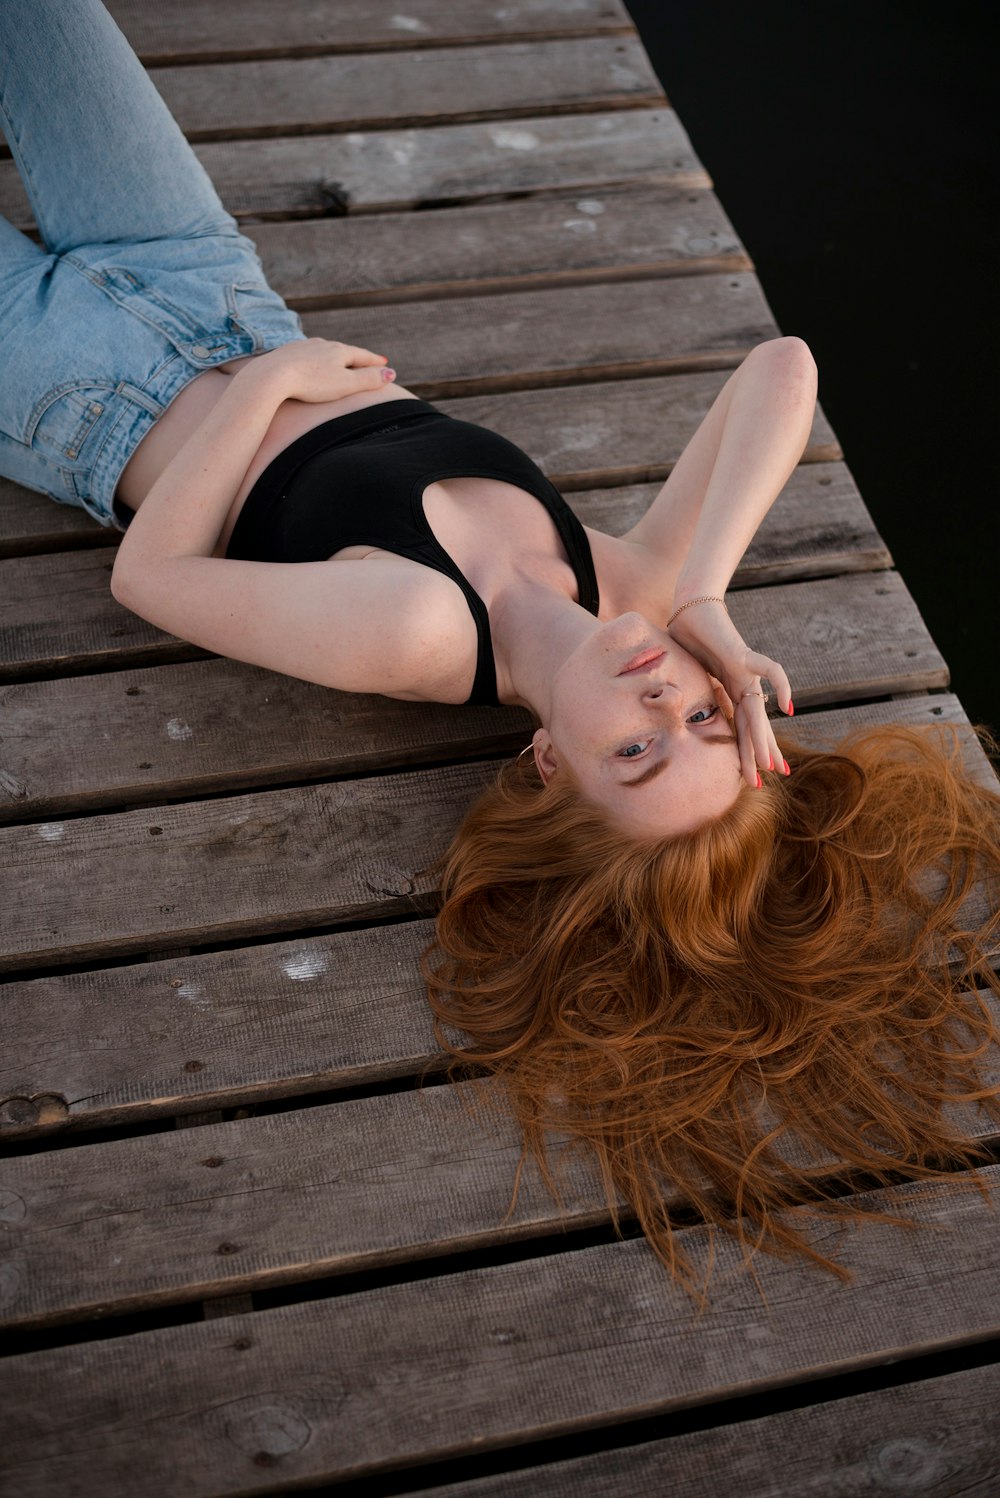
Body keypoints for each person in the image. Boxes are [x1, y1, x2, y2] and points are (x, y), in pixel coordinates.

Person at [4, 0, 999, 1296]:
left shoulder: (421, 631)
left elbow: (153, 575)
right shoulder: (628, 589)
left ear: (548, 762)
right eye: (705, 722)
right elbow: (786, 368)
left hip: (78, 387)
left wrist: (266, 390)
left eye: (637, 751)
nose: (667, 703)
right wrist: (707, 610)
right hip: (204, 273)